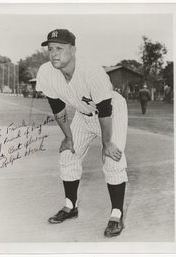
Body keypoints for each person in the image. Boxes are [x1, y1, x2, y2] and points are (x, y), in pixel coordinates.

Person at [36, 29, 128, 238]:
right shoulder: (46, 72)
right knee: (68, 154)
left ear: (73, 49)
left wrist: (107, 143)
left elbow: (105, 110)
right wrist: (68, 137)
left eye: (59, 48)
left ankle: (116, 214)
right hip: (83, 115)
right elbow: (57, 107)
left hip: (111, 113)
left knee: (113, 159)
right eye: (50, 49)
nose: (54, 53)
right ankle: (71, 206)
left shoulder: (92, 72)